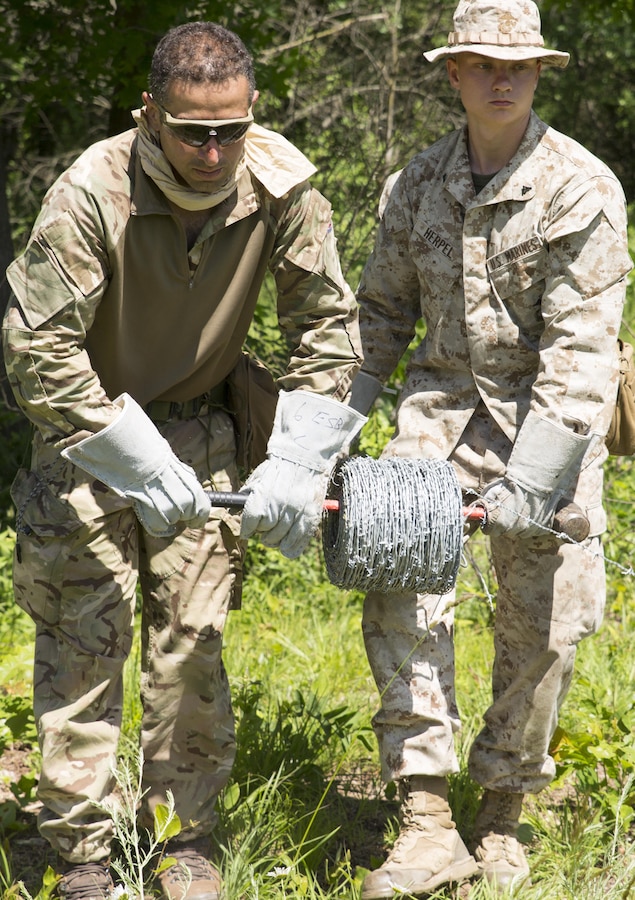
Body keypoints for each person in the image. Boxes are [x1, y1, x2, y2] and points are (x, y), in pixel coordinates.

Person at [2, 21, 365, 900]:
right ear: (149, 116)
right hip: (84, 438)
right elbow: (35, 345)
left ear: (252, 116)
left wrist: (293, 463)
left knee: (192, 649)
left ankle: (181, 837)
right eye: (192, 130)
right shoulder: (94, 189)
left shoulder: (280, 187)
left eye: (231, 129)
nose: (213, 151)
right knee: (84, 647)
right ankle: (83, 852)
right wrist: (124, 450)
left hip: (204, 435)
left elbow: (329, 330)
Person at [348, 1, 632, 896]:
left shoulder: (580, 187)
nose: (500, 78)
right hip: (436, 419)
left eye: (517, 65)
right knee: (399, 590)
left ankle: (503, 811)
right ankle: (426, 816)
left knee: (543, 626)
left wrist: (536, 478)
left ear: (540, 72)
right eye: (480, 63)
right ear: (453, 74)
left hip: (549, 425)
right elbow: (380, 320)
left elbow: (582, 349)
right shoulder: (415, 184)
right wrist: (315, 440)